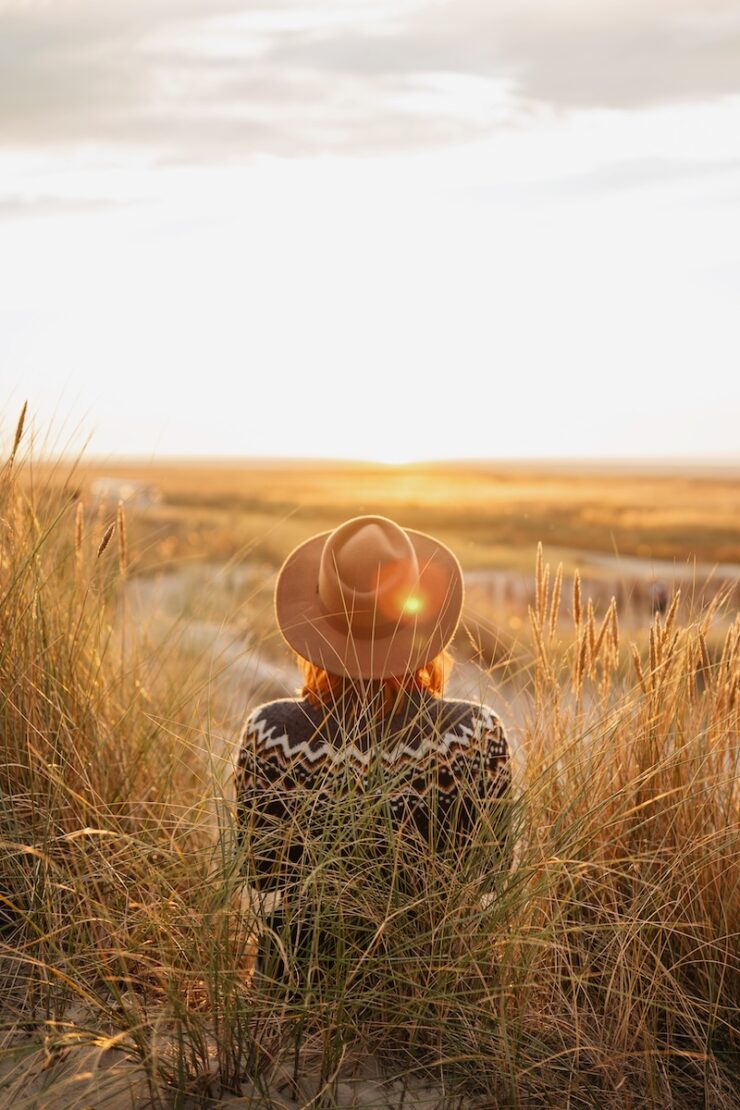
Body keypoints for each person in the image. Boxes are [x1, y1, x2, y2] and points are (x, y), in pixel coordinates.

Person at [234, 514, 512, 990]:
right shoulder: (477, 734)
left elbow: (262, 878)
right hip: (446, 993)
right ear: (423, 625)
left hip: (300, 989)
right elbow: (491, 874)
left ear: (316, 629)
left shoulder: (270, 732)